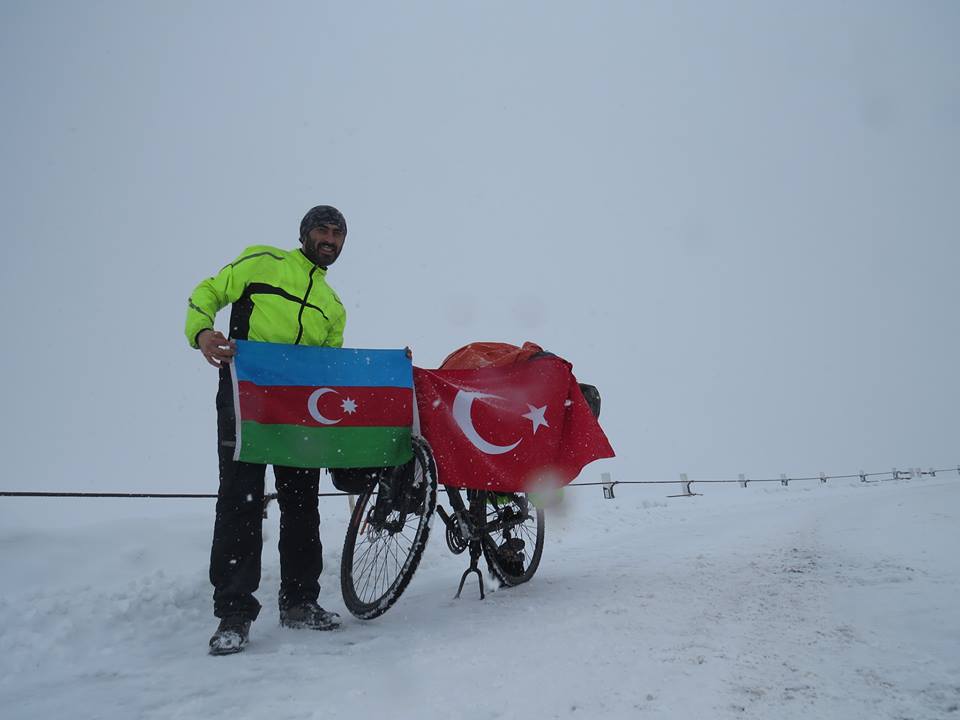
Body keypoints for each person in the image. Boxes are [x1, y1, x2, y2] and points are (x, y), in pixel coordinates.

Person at [185, 205, 349, 655]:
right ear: (305, 233)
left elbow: (330, 368)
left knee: (302, 505)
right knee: (241, 499)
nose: (329, 239)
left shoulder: (333, 307)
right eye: (322, 230)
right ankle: (234, 614)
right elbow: (207, 290)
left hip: (299, 409)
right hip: (246, 397)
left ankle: (299, 602)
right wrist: (201, 331)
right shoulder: (263, 261)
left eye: (337, 233)